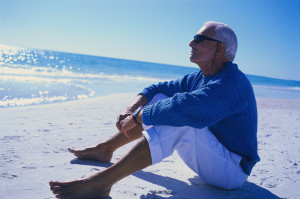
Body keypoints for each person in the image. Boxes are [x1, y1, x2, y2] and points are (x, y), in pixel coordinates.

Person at [49, 21, 260, 199]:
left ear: (219, 49)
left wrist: (138, 118)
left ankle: (101, 183)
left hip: (232, 170)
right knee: (162, 99)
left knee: (182, 118)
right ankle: (106, 149)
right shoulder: (201, 76)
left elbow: (190, 110)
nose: (191, 43)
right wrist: (132, 109)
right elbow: (157, 89)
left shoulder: (232, 82)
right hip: (210, 158)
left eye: (199, 38)